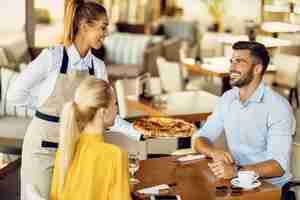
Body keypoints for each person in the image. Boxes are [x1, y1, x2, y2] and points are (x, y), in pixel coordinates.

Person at [7, 1, 142, 199]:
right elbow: (14, 95)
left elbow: (105, 113)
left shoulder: (98, 67)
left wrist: (138, 133)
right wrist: (44, 106)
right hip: (43, 148)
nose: (106, 34)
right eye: (102, 27)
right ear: (84, 26)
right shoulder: (52, 58)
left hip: (75, 150)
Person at [194, 41, 295, 187]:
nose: (231, 68)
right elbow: (200, 138)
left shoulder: (278, 107)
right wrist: (213, 152)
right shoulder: (228, 98)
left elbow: (278, 166)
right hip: (237, 182)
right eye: (232, 61)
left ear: (257, 69)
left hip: (270, 188)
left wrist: (236, 171)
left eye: (239, 62)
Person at [50, 77, 132, 200]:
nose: (117, 109)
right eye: (115, 104)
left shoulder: (65, 149)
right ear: (102, 112)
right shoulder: (115, 155)